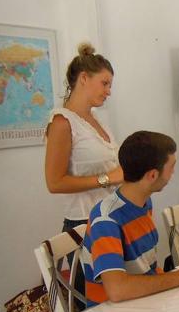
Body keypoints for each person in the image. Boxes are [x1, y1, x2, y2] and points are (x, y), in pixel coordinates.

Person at [81, 131, 179, 307]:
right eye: (172, 167)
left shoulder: (144, 202)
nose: (173, 173)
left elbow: (147, 270)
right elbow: (117, 290)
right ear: (153, 175)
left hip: (146, 304)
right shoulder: (106, 220)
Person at [45, 42, 123, 236]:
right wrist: (107, 179)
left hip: (110, 216)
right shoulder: (62, 123)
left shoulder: (95, 120)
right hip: (84, 224)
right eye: (105, 83)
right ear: (84, 78)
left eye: (110, 85)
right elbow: (54, 183)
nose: (109, 91)